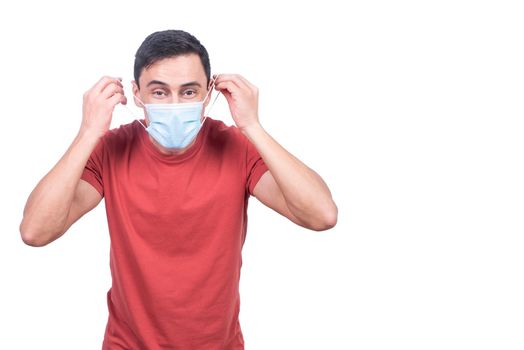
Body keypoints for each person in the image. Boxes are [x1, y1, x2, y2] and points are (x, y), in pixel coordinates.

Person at [19, 29, 338, 349]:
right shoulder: (110, 150)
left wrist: (252, 126)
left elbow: (321, 215)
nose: (174, 103)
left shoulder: (237, 147)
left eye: (188, 92)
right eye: (159, 92)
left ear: (209, 92)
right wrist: (88, 133)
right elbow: (36, 231)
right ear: (137, 93)